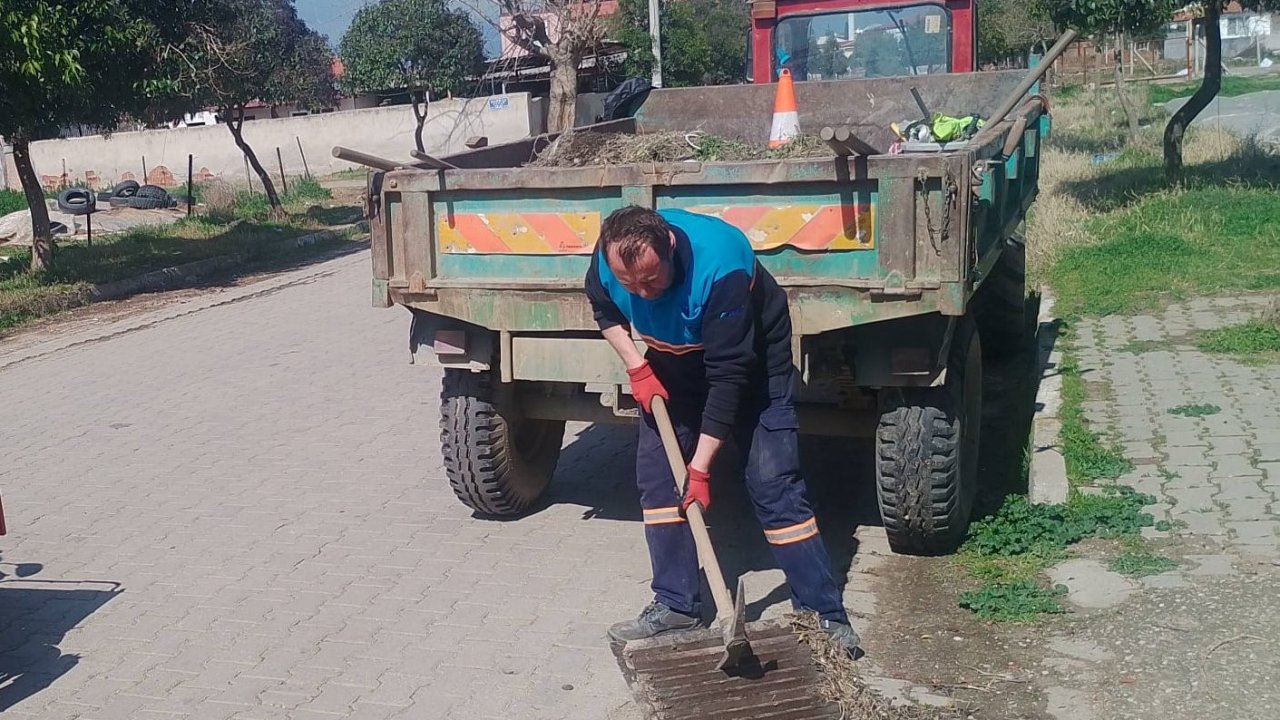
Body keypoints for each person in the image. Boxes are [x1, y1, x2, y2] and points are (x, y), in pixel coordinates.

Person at [584, 206, 860, 654]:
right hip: (670, 365)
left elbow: (728, 379)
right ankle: (676, 606)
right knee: (659, 485)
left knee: (774, 486)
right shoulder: (611, 252)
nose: (642, 294)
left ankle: (823, 616)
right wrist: (636, 366)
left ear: (669, 247)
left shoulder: (721, 264)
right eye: (630, 284)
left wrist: (701, 470)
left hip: (750, 371)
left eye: (651, 281)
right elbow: (602, 308)